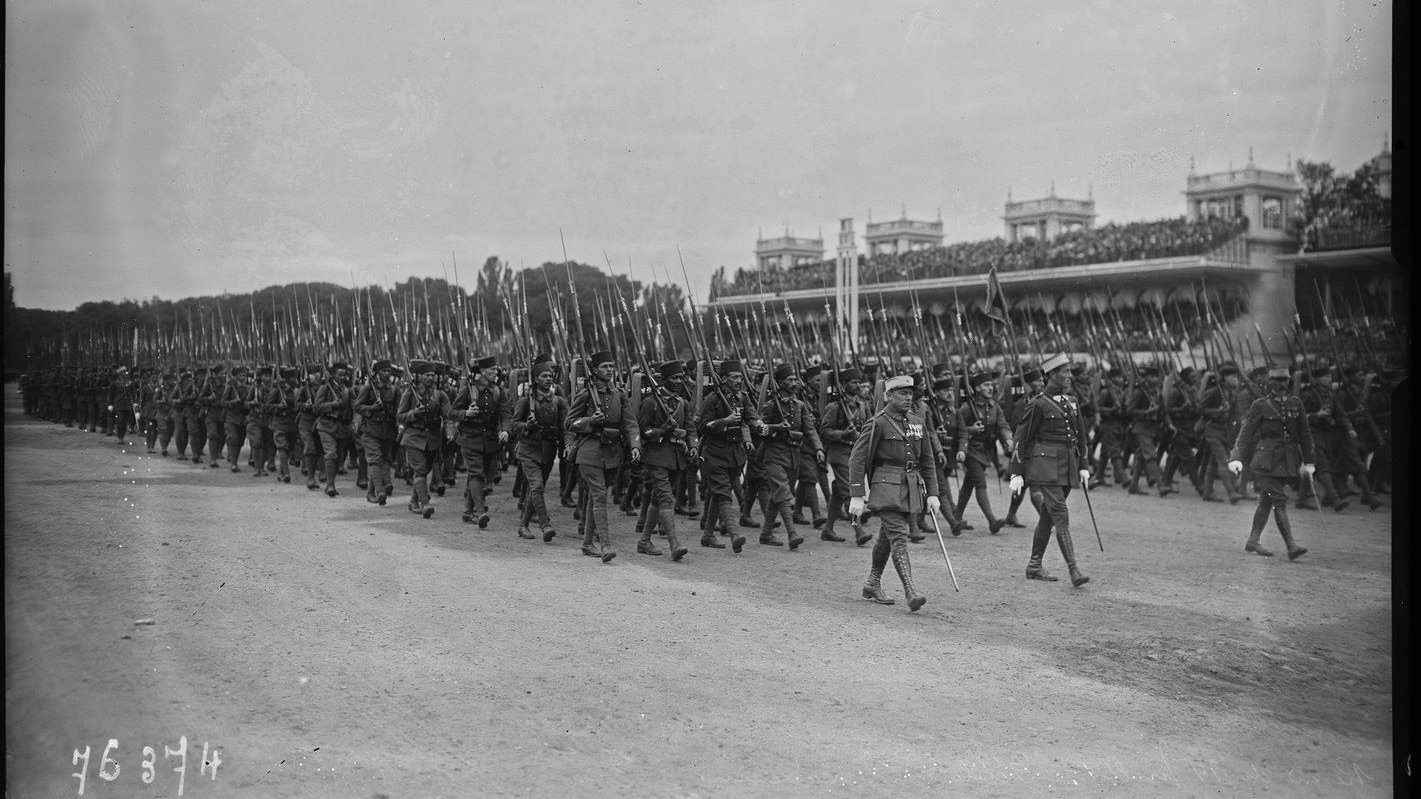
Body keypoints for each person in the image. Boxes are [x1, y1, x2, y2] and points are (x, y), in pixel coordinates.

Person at [848, 375, 941, 611]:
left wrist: (933, 493)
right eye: (902, 393)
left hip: (910, 486)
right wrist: (857, 495)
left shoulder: (917, 422)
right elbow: (857, 459)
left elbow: (927, 460)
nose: (909, 398)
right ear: (889, 395)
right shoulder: (877, 423)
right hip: (885, 487)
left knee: (886, 536)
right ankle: (911, 591)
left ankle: (872, 583)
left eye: (910, 393)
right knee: (898, 537)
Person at [1008, 354, 1091, 587]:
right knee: (1061, 515)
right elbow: (1021, 438)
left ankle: (1034, 565)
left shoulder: (1071, 401)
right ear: (1052, 375)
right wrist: (1016, 472)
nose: (1070, 376)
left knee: (1047, 516)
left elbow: (1081, 437)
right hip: (1045, 467)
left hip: (1067, 466)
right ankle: (1074, 569)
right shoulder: (1038, 404)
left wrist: (1084, 466)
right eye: (1065, 372)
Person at [1229, 365, 1316, 560]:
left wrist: (1310, 461)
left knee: (1266, 502)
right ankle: (1291, 545)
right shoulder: (1260, 405)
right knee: (1279, 500)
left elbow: (1305, 434)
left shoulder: (1296, 404)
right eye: (1277, 380)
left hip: (1287, 460)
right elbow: (1246, 432)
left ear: (1289, 381)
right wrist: (1236, 457)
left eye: (1285, 380)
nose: (1281, 384)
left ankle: (1253, 540)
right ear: (1270, 382)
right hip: (1266, 461)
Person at [566, 350, 642, 562]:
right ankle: (605, 544)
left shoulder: (619, 395)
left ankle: (587, 543)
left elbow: (630, 423)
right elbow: (569, 423)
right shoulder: (585, 394)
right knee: (599, 495)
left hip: (612, 454)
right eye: (604, 367)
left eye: (611, 366)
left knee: (595, 497)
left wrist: (635, 445)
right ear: (595, 370)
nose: (609, 370)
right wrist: (590, 421)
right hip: (589, 452)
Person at [754, 363, 825, 550]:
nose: (794, 383)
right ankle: (792, 533)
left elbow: (810, 429)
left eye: (795, 380)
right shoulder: (771, 405)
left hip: (793, 455)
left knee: (778, 494)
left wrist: (818, 449)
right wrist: (776, 427)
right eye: (789, 380)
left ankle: (766, 534)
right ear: (780, 383)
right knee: (783, 493)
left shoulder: (800, 406)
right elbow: (759, 429)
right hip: (773, 454)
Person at [696, 359, 764, 553]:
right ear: (724, 379)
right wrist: (724, 421)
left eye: (740, 377)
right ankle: (735, 534)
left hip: (735, 455)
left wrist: (760, 425)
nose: (739, 381)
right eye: (734, 377)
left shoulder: (742, 397)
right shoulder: (713, 399)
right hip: (714, 453)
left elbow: (751, 416)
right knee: (724, 493)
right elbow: (702, 426)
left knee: (718, 494)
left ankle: (708, 536)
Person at [635, 360, 698, 560]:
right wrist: (662, 431)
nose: (679, 381)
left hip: (677, 457)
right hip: (656, 456)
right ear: (663, 380)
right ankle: (674, 544)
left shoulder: (682, 403)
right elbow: (642, 430)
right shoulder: (651, 402)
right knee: (665, 498)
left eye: (680, 377)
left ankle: (644, 541)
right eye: (674, 378)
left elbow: (691, 429)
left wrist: (693, 446)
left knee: (657, 498)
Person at [512, 356, 568, 542]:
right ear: (535, 379)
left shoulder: (558, 402)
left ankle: (523, 525)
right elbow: (514, 425)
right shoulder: (525, 402)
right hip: (528, 450)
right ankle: (545, 524)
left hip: (548, 451)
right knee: (536, 486)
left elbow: (565, 427)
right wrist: (526, 426)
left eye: (550, 376)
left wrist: (567, 445)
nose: (548, 379)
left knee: (536, 490)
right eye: (544, 376)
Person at [451, 355, 511, 528]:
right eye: (492, 370)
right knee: (477, 474)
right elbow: (452, 413)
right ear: (483, 371)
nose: (496, 372)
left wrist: (505, 430)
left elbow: (505, 415)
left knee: (481, 475)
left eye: (496, 369)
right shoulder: (468, 389)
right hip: (469, 439)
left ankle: (467, 512)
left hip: (489, 440)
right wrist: (466, 413)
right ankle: (479, 511)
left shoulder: (498, 392)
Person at [818, 366, 874, 545]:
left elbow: (870, 427)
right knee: (850, 492)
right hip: (839, 453)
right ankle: (858, 531)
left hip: (855, 454)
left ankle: (828, 529)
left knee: (839, 492)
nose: (857, 385)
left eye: (858, 382)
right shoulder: (834, 407)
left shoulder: (863, 406)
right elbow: (824, 432)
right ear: (843, 385)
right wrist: (843, 434)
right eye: (853, 382)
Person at [955, 372, 1012, 534]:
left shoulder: (994, 407)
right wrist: (971, 429)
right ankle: (992, 521)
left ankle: (956, 518)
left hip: (986, 451)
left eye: (991, 385)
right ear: (977, 388)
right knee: (980, 482)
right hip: (970, 450)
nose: (991, 388)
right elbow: (957, 429)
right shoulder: (967, 407)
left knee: (969, 484)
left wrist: (1008, 440)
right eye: (986, 385)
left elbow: (1003, 426)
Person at [397, 360, 453, 518]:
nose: (430, 378)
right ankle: (425, 503)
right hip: (413, 437)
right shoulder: (410, 393)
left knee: (424, 470)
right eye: (427, 375)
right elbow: (399, 416)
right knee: (420, 470)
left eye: (432, 375)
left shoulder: (440, 395)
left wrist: (450, 431)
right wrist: (414, 413)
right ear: (420, 376)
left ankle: (413, 502)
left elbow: (448, 416)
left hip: (432, 439)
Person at [353, 359, 400, 504]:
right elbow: (357, 406)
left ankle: (370, 492)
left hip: (387, 431)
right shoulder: (368, 388)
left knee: (383, 461)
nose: (387, 374)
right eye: (384, 371)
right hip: (371, 430)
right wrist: (372, 408)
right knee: (374, 460)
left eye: (389, 371)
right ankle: (380, 492)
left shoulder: (395, 390)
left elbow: (398, 410)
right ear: (377, 373)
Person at [313, 362, 356, 497]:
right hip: (326, 426)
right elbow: (316, 408)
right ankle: (330, 485)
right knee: (330, 453)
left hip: (342, 428)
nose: (342, 377)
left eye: (344, 375)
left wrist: (355, 421)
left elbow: (355, 408)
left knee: (338, 457)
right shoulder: (325, 388)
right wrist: (332, 404)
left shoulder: (348, 391)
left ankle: (331, 482)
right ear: (333, 375)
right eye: (339, 374)